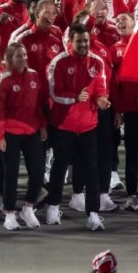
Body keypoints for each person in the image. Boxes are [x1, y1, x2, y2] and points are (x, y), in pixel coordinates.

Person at [45, 23, 110, 231]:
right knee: (60, 167)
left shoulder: (97, 62)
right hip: (64, 125)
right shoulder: (59, 62)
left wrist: (101, 100)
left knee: (91, 170)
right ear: (70, 41)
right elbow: (53, 93)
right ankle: (53, 207)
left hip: (88, 126)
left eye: (86, 41)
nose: (83, 44)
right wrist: (74, 98)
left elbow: (100, 89)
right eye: (79, 41)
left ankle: (93, 214)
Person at [0, 42, 46, 231]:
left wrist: (42, 126)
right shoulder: (5, 79)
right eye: (18, 56)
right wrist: (0, 136)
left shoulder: (34, 75)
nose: (23, 58)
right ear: (9, 59)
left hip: (31, 131)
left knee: (38, 172)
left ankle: (28, 208)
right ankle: (9, 213)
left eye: (24, 54)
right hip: (10, 133)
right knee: (11, 175)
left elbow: (39, 104)